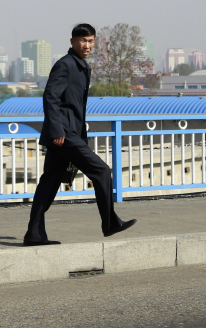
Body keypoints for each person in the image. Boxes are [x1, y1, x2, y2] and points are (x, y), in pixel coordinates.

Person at [23, 23, 136, 246]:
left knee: (49, 182)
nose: (87, 45)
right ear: (73, 41)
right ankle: (110, 223)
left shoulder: (83, 67)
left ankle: (34, 234)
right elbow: (50, 98)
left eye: (91, 41)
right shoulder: (65, 65)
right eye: (83, 41)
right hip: (63, 134)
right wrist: (57, 130)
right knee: (102, 170)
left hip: (71, 133)